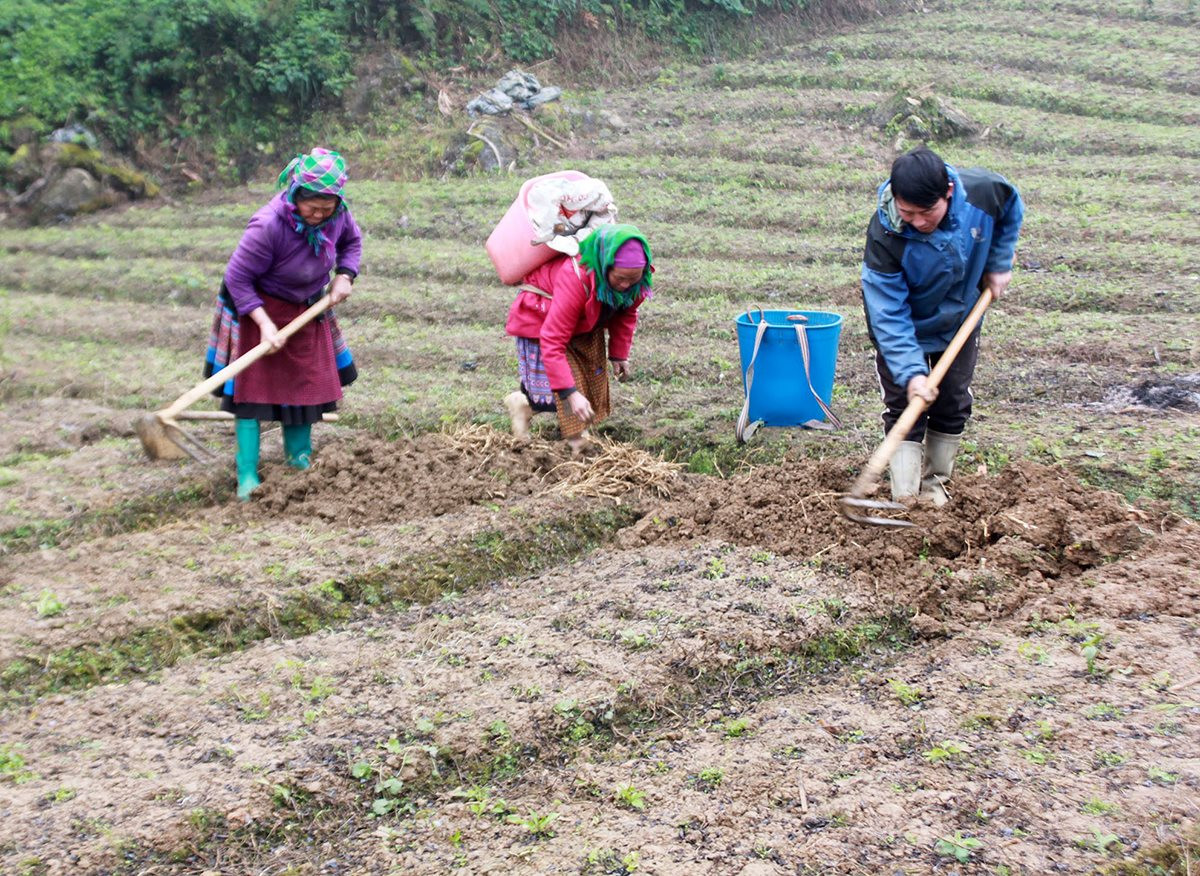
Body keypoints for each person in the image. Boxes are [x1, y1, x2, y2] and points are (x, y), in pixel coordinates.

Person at [860, 146, 1024, 504]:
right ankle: (905, 497)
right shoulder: (886, 237)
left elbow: (1010, 208)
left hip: (961, 316)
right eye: (908, 212)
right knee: (906, 403)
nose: (917, 221)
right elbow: (888, 314)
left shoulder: (984, 192)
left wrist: (998, 263)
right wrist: (912, 372)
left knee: (951, 400)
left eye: (927, 212)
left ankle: (935, 490)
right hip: (903, 329)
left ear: (948, 192)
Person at [203, 147, 363, 500]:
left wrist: (345, 275)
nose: (320, 215)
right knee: (250, 392)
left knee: (303, 388)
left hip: (306, 306)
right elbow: (237, 278)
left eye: (327, 207)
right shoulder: (268, 225)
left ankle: (299, 462)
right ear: (296, 195)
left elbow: (352, 242)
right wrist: (263, 323)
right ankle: (247, 476)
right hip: (256, 306)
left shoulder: (339, 216)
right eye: (312, 207)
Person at [503, 223, 654, 454]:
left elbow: (627, 312)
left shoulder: (636, 283)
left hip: (585, 321)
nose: (626, 286)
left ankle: (524, 408)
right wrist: (571, 394)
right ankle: (578, 446)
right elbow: (552, 340)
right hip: (543, 319)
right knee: (568, 388)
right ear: (605, 266)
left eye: (633, 280)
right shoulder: (575, 277)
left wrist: (619, 354)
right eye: (621, 278)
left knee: (589, 383)